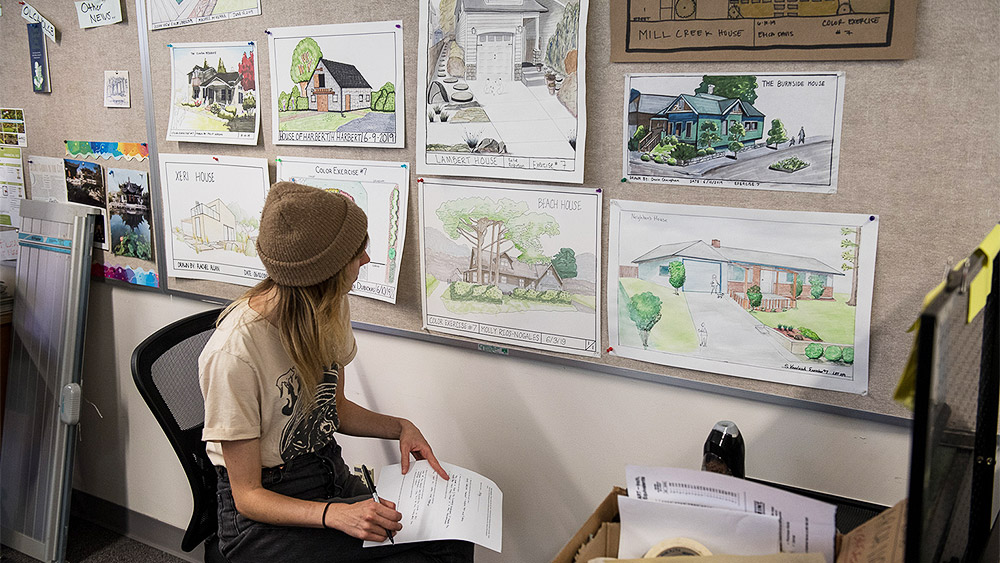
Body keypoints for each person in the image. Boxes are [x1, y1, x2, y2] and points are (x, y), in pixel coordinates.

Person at [199, 182, 474, 563]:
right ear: (324, 273)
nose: (365, 259)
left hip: (325, 471)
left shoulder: (329, 308)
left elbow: (335, 409)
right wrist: (336, 515)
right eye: (356, 253)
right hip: (263, 514)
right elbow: (247, 497)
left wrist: (401, 426)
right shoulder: (234, 352)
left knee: (451, 535)